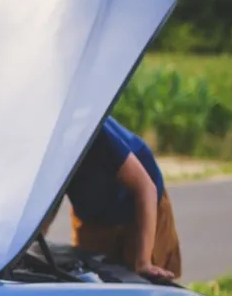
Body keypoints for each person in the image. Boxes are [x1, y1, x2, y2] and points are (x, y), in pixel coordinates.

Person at [43, 116, 182, 279]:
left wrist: (143, 261)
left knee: (143, 280)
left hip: (141, 206)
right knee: (91, 277)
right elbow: (50, 199)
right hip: (93, 214)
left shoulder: (94, 132)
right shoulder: (43, 145)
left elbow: (145, 188)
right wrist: (34, 240)